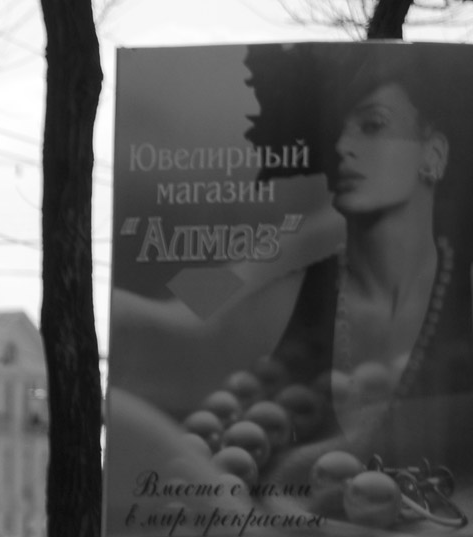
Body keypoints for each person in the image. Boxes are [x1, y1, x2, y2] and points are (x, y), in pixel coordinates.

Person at [109, 42, 473, 492]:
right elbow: (200, 300)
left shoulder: (460, 279)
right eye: (339, 130)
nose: (343, 146)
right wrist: (141, 314)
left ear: (433, 153)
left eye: (373, 125)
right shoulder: (307, 243)